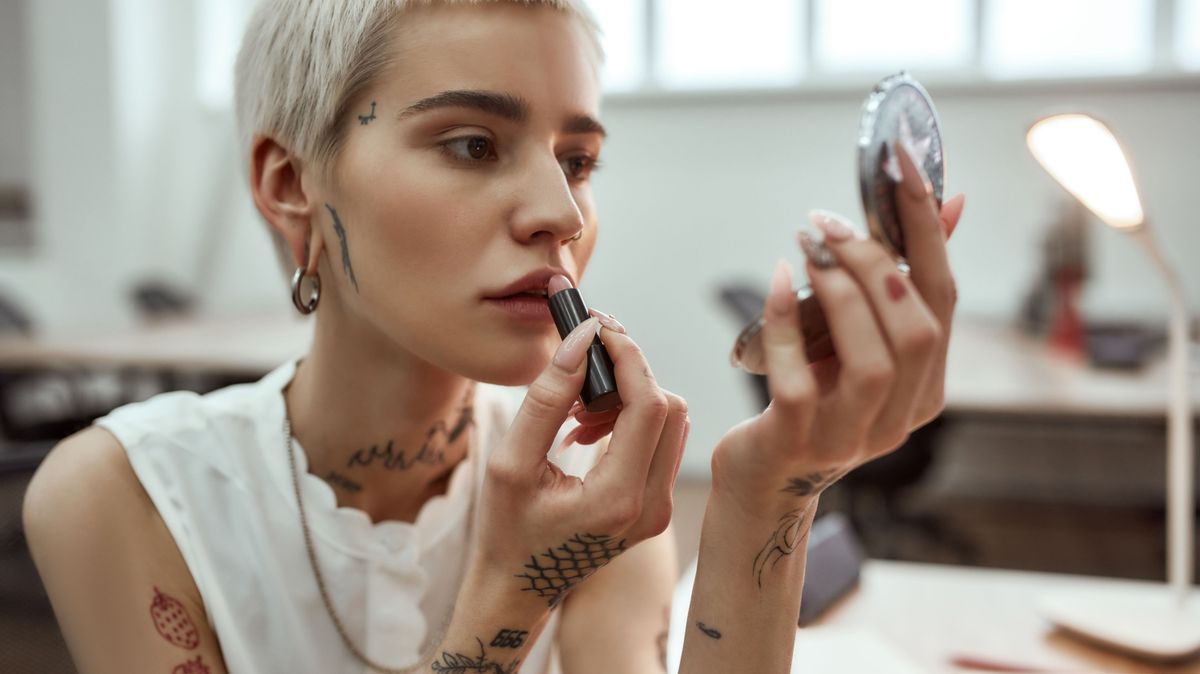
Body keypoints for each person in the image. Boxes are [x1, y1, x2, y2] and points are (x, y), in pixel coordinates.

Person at [21, 0, 966, 672]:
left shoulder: (597, 492)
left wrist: (769, 497)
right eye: (472, 144)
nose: (560, 213)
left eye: (580, 160)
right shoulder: (125, 496)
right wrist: (513, 595)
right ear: (288, 182)